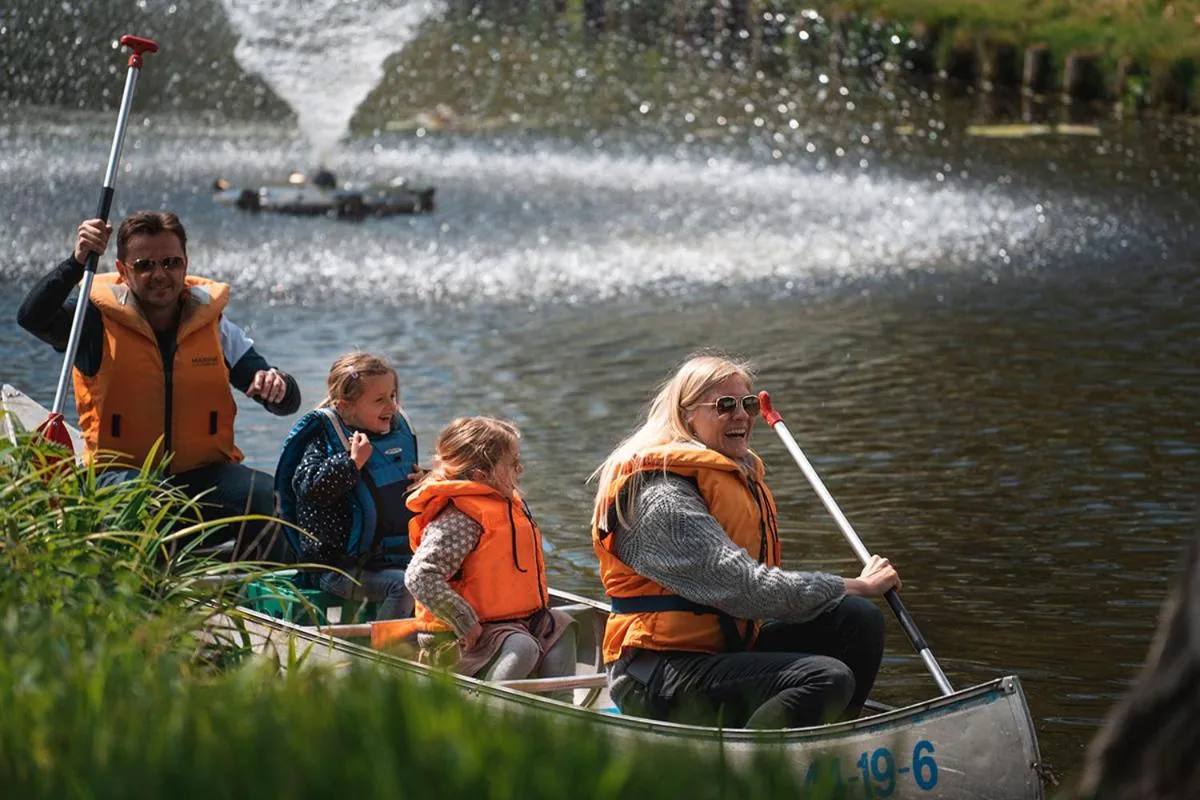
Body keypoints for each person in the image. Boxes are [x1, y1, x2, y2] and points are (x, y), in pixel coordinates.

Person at [590, 354, 902, 729]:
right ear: (687, 414)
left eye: (748, 404)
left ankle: (830, 744)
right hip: (656, 675)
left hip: (719, 653)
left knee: (857, 618)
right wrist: (855, 584)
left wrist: (850, 595)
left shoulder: (727, 475)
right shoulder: (662, 496)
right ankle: (750, 774)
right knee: (826, 676)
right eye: (725, 406)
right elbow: (745, 587)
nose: (742, 415)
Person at [16, 212, 301, 559]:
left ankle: (260, 594)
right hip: (120, 482)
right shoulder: (93, 322)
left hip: (202, 479)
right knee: (152, 499)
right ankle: (147, 594)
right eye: (144, 265)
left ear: (185, 263)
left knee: (267, 496)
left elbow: (284, 400)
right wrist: (77, 262)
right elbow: (32, 317)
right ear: (122, 271)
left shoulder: (211, 323)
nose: (160, 275)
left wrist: (277, 384)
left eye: (170, 262)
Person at [404, 417, 576, 687]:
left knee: (561, 624)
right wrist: (464, 620)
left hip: (511, 622)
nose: (520, 468)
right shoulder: (461, 518)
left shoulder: (506, 505)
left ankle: (558, 710)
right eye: (512, 463)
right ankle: (485, 707)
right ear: (480, 477)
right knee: (522, 647)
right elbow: (419, 576)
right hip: (460, 633)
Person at [275, 352, 421, 620]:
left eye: (392, 396)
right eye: (379, 400)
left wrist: (424, 480)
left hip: (386, 561)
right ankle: (385, 654)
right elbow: (308, 488)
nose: (391, 406)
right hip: (337, 570)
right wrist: (351, 464)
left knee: (440, 573)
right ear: (344, 407)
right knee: (403, 587)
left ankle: (433, 643)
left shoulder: (393, 440)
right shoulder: (323, 440)